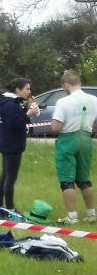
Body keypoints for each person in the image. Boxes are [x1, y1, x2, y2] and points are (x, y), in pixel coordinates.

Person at [50, 70, 97, 224]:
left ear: (65, 85)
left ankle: (72, 216)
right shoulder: (94, 100)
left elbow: (56, 127)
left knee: (67, 180)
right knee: (84, 179)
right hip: (86, 137)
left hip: (68, 138)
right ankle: (92, 214)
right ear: (80, 83)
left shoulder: (63, 102)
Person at [0, 77, 39, 217]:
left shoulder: (11, 102)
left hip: (9, 143)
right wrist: (28, 114)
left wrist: (27, 107)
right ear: (18, 89)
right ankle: (9, 208)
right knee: (9, 178)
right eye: (27, 89)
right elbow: (14, 124)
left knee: (5, 175)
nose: (29, 92)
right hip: (12, 145)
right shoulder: (10, 104)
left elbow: (17, 118)